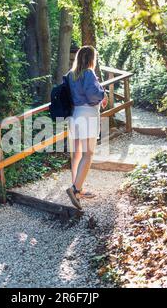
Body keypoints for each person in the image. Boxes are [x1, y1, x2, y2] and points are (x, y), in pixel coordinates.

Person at [66, 45, 108, 210]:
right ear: (91, 59)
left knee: (77, 154)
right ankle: (75, 189)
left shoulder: (71, 75)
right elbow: (92, 96)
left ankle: (77, 188)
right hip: (88, 115)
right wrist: (103, 95)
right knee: (88, 154)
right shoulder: (88, 73)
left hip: (75, 115)